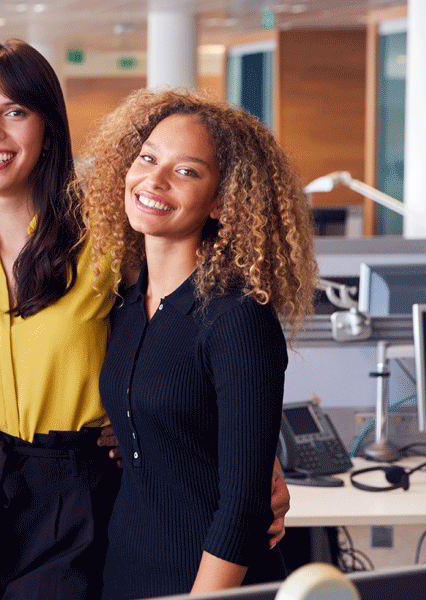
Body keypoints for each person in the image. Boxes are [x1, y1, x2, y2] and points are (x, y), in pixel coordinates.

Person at [0, 40, 291, 600]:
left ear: (48, 128)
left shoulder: (108, 238)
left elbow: (184, 336)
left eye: (15, 111)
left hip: (75, 487)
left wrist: (256, 464)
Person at [79, 89, 315, 598]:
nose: (155, 180)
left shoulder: (236, 317)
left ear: (221, 202)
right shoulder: (125, 303)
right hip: (125, 571)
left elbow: (246, 505)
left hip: (208, 583)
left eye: (186, 171)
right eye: (147, 158)